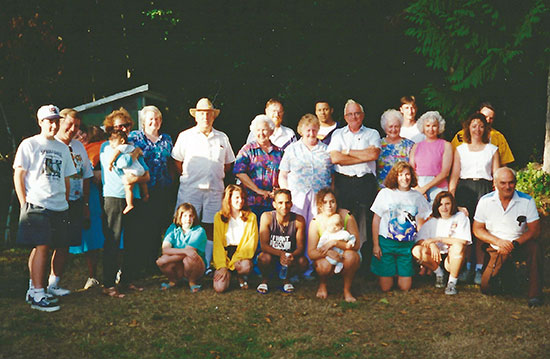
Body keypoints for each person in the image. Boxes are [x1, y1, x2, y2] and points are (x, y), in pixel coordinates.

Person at [14, 105, 77, 311]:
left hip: (59, 206)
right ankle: (38, 294)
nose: (54, 124)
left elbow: (66, 178)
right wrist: (24, 203)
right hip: (37, 204)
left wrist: (64, 200)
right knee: (41, 245)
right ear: (40, 122)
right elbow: (19, 174)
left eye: (56, 120)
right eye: (49, 120)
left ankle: (37, 287)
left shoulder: (62, 148)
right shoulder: (30, 144)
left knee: (53, 246)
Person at [172, 98, 236, 272]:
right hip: (190, 190)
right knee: (185, 225)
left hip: (215, 190)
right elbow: (177, 162)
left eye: (208, 113)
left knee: (211, 227)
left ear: (213, 116)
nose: (205, 117)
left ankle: (206, 265)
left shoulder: (222, 137)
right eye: (201, 113)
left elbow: (228, 164)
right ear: (196, 116)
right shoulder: (185, 136)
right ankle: (182, 265)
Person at [473, 167, 543, 307]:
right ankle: (507, 278)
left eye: (511, 182)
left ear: (515, 183)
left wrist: (514, 244)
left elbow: (535, 231)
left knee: (534, 248)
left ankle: (534, 294)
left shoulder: (527, 201)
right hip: (495, 247)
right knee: (486, 288)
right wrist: (498, 242)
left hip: (519, 244)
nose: (507, 186)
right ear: (495, 183)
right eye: (503, 183)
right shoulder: (485, 201)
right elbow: (477, 229)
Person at [100, 107, 150, 298]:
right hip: (114, 197)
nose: (123, 129)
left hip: (133, 197)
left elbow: (146, 175)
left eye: (127, 125)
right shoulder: (108, 146)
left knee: (133, 240)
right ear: (111, 128)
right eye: (119, 126)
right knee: (113, 239)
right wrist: (135, 154)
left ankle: (127, 279)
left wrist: (134, 180)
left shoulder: (131, 146)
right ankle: (108, 283)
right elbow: (120, 164)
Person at [47, 108, 94, 297]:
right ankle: (36, 285)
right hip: (53, 202)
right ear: (60, 122)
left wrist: (86, 206)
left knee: (64, 243)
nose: (73, 129)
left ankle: (54, 283)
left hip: (75, 202)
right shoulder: (49, 144)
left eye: (77, 126)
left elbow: (87, 177)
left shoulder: (79, 146)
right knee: (43, 245)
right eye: (70, 124)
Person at [449, 112, 500, 284]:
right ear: (468, 128)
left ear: (485, 128)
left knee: (480, 230)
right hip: (465, 189)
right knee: (465, 229)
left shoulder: (492, 150)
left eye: (481, 125)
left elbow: (497, 176)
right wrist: (452, 197)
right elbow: (455, 175)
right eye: (473, 125)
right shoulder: (460, 149)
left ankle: (479, 268)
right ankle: (465, 267)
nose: (477, 129)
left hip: (484, 190)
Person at [328, 99, 380, 258]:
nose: (354, 117)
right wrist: (362, 156)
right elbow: (335, 158)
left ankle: (365, 262)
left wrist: (348, 152)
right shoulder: (337, 134)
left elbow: (373, 154)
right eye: (350, 114)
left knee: (366, 222)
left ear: (362, 115)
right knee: (344, 220)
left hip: (365, 182)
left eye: (357, 113)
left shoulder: (372, 133)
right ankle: (345, 259)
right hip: (344, 182)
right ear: (345, 117)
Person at [370, 162, 431, 292]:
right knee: (386, 288)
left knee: (405, 287)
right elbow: (376, 219)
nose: (405, 178)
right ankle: (389, 273)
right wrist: (376, 245)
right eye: (401, 175)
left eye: (407, 174)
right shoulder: (385, 193)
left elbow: (425, 217)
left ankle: (401, 273)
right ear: (395, 177)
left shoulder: (417, 196)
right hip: (387, 243)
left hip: (406, 245)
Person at [128, 105, 175, 271]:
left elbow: (170, 162)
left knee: (157, 225)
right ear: (143, 122)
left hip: (161, 189)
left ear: (161, 121)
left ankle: (153, 263)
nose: (154, 122)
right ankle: (140, 264)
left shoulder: (167, 139)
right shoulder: (134, 137)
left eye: (157, 119)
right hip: (141, 188)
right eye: (150, 119)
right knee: (141, 226)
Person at [70, 124, 108, 290]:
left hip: (107, 195)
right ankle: (93, 275)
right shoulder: (70, 150)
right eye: (77, 135)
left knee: (113, 233)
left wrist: (101, 173)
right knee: (91, 236)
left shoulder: (102, 146)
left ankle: (116, 271)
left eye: (83, 132)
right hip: (88, 196)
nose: (82, 136)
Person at [412, 191, 472, 295]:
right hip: (436, 258)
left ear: (453, 204)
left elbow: (463, 241)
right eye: (441, 204)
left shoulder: (460, 217)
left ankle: (452, 283)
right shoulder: (432, 221)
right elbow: (419, 241)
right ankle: (439, 274)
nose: (444, 207)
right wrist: (431, 244)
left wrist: (438, 239)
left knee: (458, 247)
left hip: (452, 258)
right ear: (436, 206)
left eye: (447, 204)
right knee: (417, 250)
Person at [308, 188, 361, 302]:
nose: (329, 205)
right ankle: (323, 284)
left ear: (337, 203)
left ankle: (347, 290)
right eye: (325, 202)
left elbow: (356, 245)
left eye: (332, 201)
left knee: (351, 256)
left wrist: (335, 243)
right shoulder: (316, 221)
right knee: (323, 265)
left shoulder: (347, 216)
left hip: (346, 254)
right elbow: (311, 253)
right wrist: (328, 252)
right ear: (320, 206)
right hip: (327, 257)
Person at [279, 113, 333, 226]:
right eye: (308, 130)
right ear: (301, 131)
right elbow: (283, 174)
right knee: (296, 226)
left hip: (320, 196)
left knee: (317, 227)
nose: (311, 133)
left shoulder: (327, 150)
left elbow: (333, 175)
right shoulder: (291, 149)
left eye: (314, 130)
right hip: (297, 196)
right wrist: (287, 194)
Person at [256, 189, 308, 294]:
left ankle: (287, 279)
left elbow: (300, 247)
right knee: (263, 258)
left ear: (291, 203)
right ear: (274, 204)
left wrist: (290, 256)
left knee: (303, 262)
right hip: (271, 254)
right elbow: (264, 245)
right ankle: (265, 280)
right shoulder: (267, 217)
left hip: (289, 256)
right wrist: (281, 254)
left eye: (287, 202)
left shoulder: (299, 220)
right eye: (280, 202)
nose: (284, 206)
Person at [233, 114, 283, 219]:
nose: (261, 133)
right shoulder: (248, 150)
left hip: (272, 203)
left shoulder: (280, 152)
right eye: (258, 130)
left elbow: (285, 174)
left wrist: (279, 190)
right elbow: (239, 172)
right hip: (251, 202)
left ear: (271, 131)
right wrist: (258, 190)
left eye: (264, 130)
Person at [212, 185, 258, 292]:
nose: (240, 201)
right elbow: (217, 243)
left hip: (241, 256)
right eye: (236, 198)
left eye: (242, 197)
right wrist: (223, 266)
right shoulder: (218, 217)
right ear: (229, 199)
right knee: (219, 288)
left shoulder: (251, 217)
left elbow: (251, 243)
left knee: (246, 266)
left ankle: (240, 276)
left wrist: (233, 262)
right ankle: (227, 275)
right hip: (225, 255)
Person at [156, 203, 207, 293]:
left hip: (195, 265)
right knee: (166, 260)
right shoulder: (173, 228)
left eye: (191, 216)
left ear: (194, 217)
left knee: (188, 259)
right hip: (178, 265)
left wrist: (166, 259)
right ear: (179, 217)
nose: (188, 219)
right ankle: (173, 281)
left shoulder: (199, 231)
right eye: (185, 216)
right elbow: (165, 249)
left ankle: (192, 282)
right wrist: (184, 251)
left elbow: (191, 252)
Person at [409, 111, 453, 203]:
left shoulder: (446, 145)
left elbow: (445, 172)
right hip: (418, 187)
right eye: (427, 126)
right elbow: (411, 170)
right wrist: (418, 189)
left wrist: (424, 188)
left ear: (439, 127)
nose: (431, 129)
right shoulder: (416, 146)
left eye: (434, 126)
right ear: (423, 127)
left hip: (438, 187)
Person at [107, 130, 148, 214]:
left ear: (122, 140)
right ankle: (146, 194)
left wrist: (110, 163)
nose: (111, 145)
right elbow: (140, 154)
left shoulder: (121, 147)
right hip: (140, 169)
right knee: (143, 184)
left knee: (128, 187)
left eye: (113, 142)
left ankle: (129, 204)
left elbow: (122, 161)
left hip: (132, 171)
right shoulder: (132, 147)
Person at [376, 109, 415, 188]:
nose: (393, 129)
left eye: (396, 126)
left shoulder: (409, 145)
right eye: (390, 126)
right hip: (383, 189)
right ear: (384, 127)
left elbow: (413, 169)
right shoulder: (378, 144)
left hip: (403, 188)